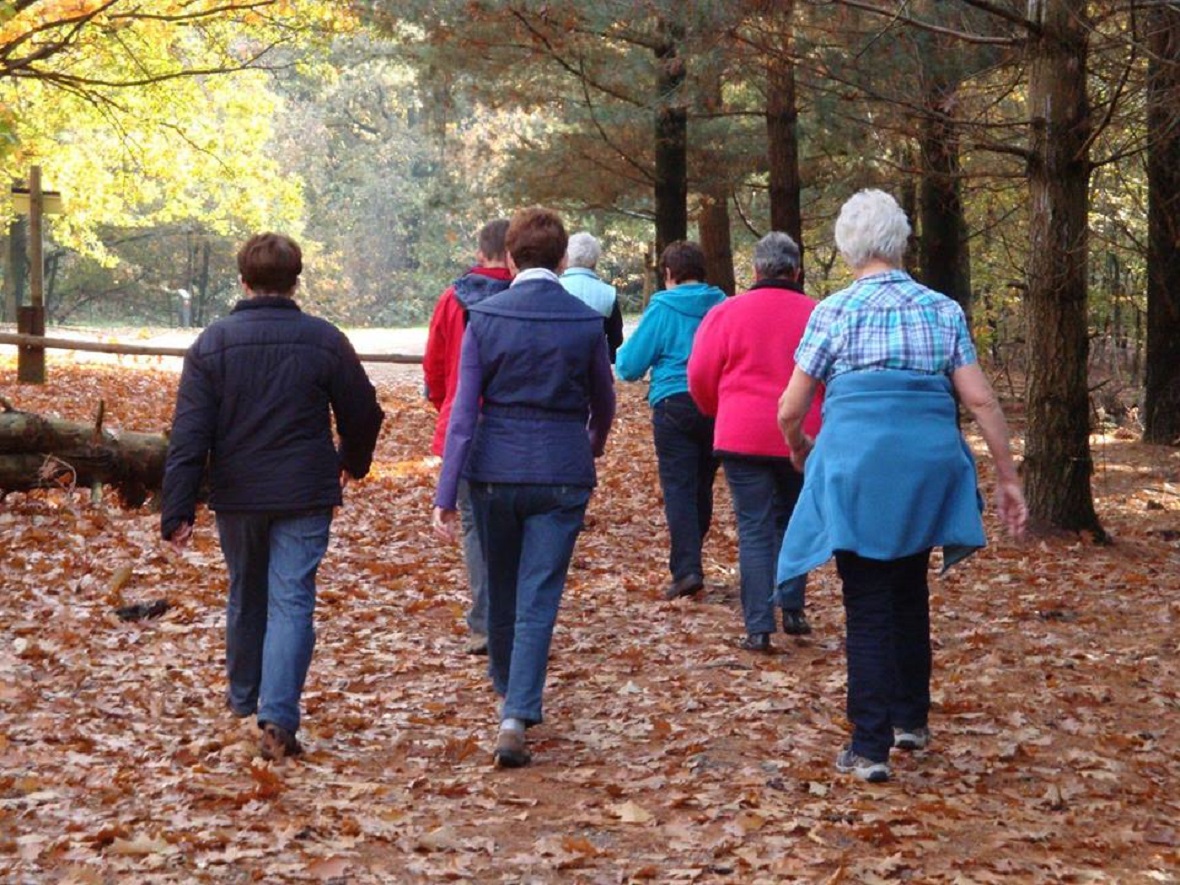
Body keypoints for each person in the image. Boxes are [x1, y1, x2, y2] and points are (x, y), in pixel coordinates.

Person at [776, 190, 1027, 783]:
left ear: (846, 249)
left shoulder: (832, 312)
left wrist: (800, 449)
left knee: (866, 603)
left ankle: (868, 747)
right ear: (902, 241)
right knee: (909, 589)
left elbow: (791, 407)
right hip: (924, 469)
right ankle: (911, 720)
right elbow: (981, 400)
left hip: (857, 468)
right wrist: (1008, 477)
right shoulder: (942, 310)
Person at [161, 233, 384, 761]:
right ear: (295, 280)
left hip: (239, 492)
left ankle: (244, 698)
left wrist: (178, 507)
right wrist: (353, 461)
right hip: (304, 489)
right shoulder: (323, 340)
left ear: (243, 280)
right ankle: (277, 714)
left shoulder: (212, 344)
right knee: (292, 599)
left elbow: (190, 433)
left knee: (246, 591)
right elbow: (364, 411)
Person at [432, 206, 615, 769]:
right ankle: (515, 706)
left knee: (506, 587)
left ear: (511, 258)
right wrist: (590, 445)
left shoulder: (485, 317)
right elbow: (602, 403)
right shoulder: (584, 322)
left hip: (495, 472)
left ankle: (511, 695)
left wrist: (445, 492)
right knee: (539, 593)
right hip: (562, 471)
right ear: (561, 260)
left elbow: (463, 414)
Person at [688, 232, 823, 652]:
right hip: (803, 433)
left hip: (742, 433)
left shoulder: (726, 313)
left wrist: (718, 409)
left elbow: (699, 374)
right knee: (794, 520)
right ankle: (794, 606)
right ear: (796, 272)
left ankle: (758, 626)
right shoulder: (818, 313)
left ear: (755, 271)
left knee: (755, 528)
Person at [616, 241, 726, 600]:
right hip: (715, 403)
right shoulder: (722, 306)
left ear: (668, 274)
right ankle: (690, 560)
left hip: (673, 402)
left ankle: (687, 569)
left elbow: (630, 366)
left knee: (679, 488)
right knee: (702, 484)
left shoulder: (662, 308)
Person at [422, 219, 513, 655]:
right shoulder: (522, 297)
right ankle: (511, 618)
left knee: (475, 527)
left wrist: (444, 402)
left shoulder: (452, 299)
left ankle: (484, 621)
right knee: (514, 525)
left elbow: (435, 364)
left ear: (481, 252)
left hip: (464, 423)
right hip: (513, 424)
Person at [559, 231, 625, 361]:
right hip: (596, 363)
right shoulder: (608, 293)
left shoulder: (553, 286)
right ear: (595, 261)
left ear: (566, 257)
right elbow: (616, 338)